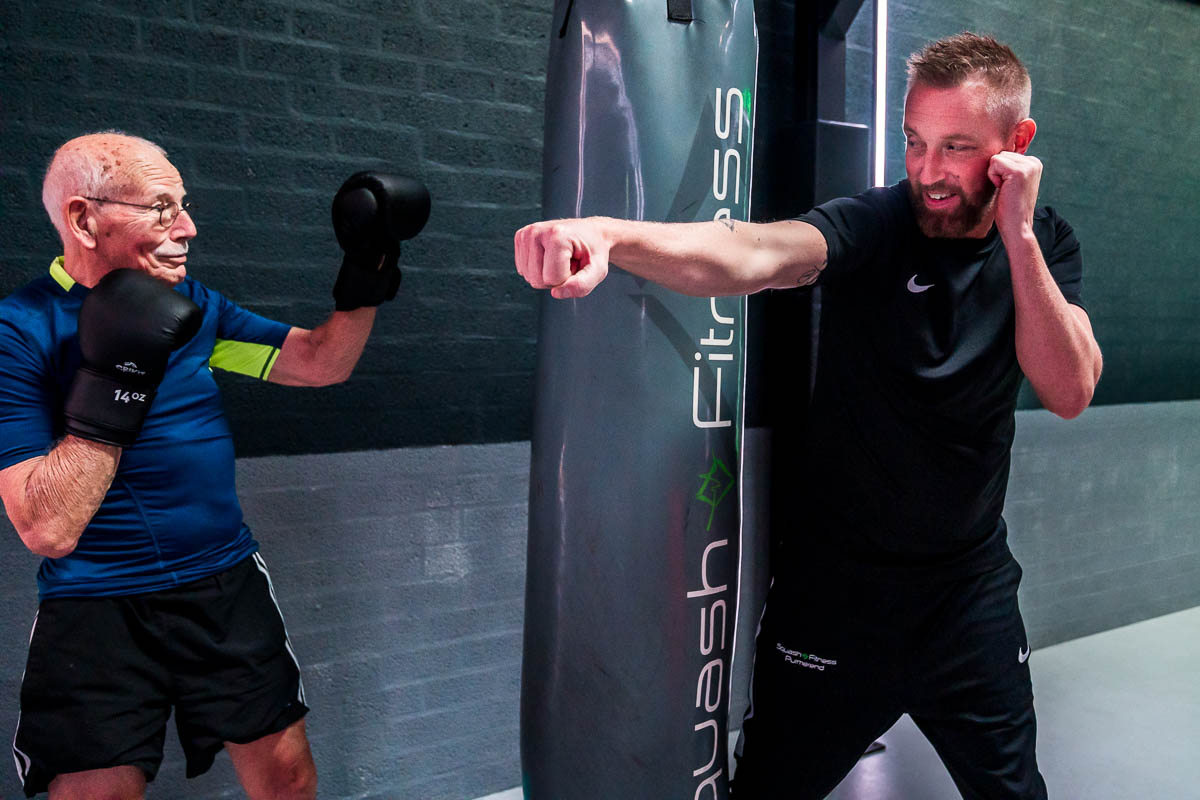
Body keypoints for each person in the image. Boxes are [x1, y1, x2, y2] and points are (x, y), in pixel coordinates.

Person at [514, 32, 1102, 799]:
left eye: (956, 148)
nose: (927, 171)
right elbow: (755, 252)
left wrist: (1017, 235)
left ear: (1016, 144)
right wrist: (611, 235)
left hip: (967, 597)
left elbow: (1069, 390)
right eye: (914, 142)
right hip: (834, 598)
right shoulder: (880, 223)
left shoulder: (1046, 244)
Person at [0, 131, 426, 799]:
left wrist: (367, 266)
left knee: (288, 780)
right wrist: (115, 377)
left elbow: (320, 362)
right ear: (84, 219)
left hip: (224, 582)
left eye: (184, 205)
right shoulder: (18, 331)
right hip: (96, 602)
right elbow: (46, 529)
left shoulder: (193, 307)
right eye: (161, 209)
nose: (188, 228)